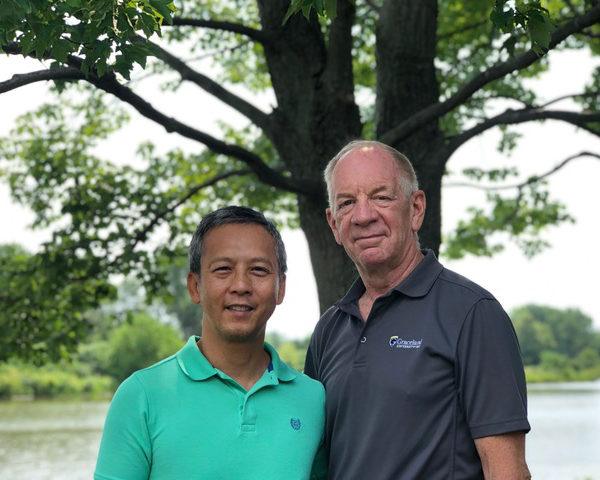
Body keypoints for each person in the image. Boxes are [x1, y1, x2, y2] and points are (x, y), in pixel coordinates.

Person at [304, 140, 531, 479]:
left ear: (416, 209)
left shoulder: (472, 313)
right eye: (347, 202)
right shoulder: (329, 329)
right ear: (334, 224)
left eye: (381, 197)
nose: (364, 216)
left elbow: (507, 472)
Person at [95, 206, 326, 480]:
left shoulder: (313, 399)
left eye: (259, 270)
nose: (241, 285)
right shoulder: (141, 395)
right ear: (195, 287)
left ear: (281, 288)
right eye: (223, 269)